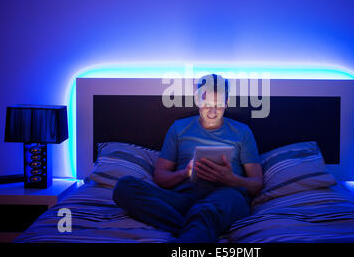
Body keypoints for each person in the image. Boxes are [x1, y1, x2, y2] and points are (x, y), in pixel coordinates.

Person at [112, 74, 263, 242]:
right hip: (184, 197)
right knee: (125, 187)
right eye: (206, 104)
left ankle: (197, 224)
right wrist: (184, 173)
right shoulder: (179, 128)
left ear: (226, 103)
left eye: (219, 105)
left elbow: (256, 184)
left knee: (206, 210)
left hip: (226, 196)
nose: (212, 111)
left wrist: (230, 179)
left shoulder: (242, 132)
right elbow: (160, 177)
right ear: (198, 101)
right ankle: (196, 227)